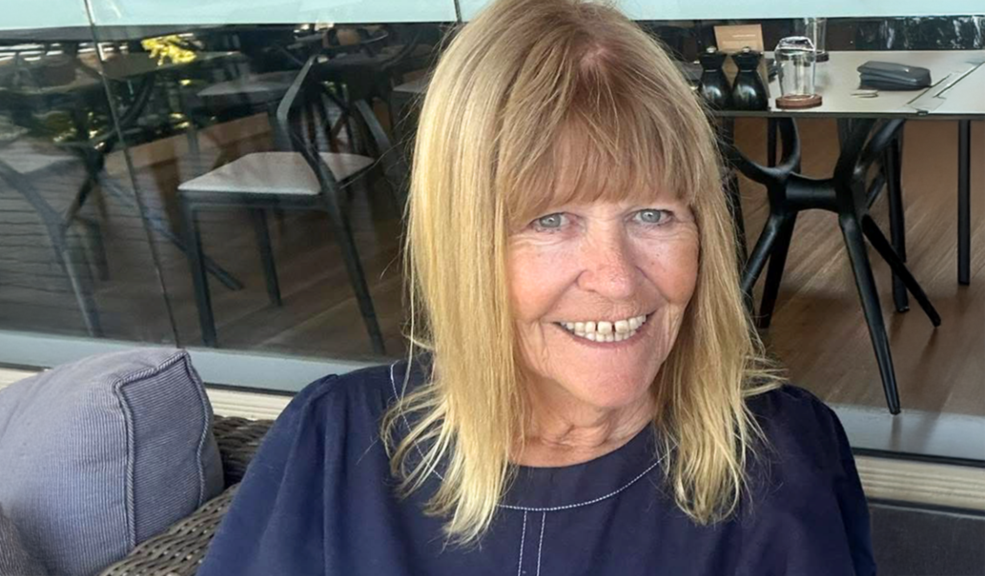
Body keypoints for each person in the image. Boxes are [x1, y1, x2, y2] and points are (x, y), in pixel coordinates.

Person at [196, 0, 877, 574]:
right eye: (550, 220)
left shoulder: (781, 454)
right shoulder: (331, 447)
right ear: (463, 245)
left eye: (653, 214)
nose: (615, 280)